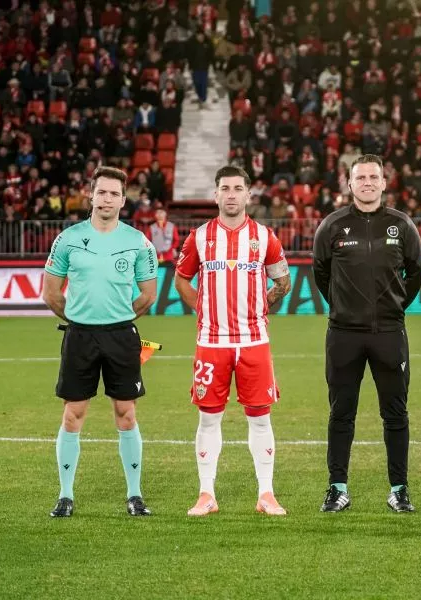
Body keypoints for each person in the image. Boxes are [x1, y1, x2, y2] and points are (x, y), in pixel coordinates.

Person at [174, 165, 292, 517]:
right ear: (215, 195)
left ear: (247, 195)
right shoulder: (198, 237)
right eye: (224, 188)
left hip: (254, 341)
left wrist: (262, 305)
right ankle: (206, 494)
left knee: (260, 417)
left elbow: (283, 283)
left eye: (237, 188)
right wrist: (204, 308)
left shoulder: (264, 237)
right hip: (212, 341)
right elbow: (181, 280)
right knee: (209, 418)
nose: (230, 194)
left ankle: (266, 494)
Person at [42, 166, 158, 518]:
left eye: (114, 193)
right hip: (79, 335)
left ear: (123, 200)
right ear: (91, 196)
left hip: (122, 335)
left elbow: (147, 295)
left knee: (126, 415)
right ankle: (65, 496)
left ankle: (134, 496)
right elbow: (51, 293)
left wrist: (116, 319)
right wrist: (81, 318)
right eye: (101, 192)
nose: (106, 198)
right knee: (72, 415)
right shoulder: (67, 238)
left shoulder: (138, 242)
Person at [312, 154, 421, 513]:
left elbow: (415, 274)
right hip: (343, 334)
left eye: (373, 177)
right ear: (349, 184)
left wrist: (392, 309)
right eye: (360, 178)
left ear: (384, 182)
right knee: (341, 412)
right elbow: (321, 274)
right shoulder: (331, 226)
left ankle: (400, 488)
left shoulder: (401, 225)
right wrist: (344, 308)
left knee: (395, 413)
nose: (367, 183)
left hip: (389, 333)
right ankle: (337, 487)